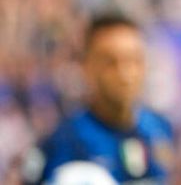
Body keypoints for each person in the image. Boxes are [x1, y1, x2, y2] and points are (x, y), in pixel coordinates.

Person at [24, 14, 173, 184]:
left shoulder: (159, 128)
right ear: (87, 66)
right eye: (111, 62)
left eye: (134, 60)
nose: (125, 74)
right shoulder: (62, 142)